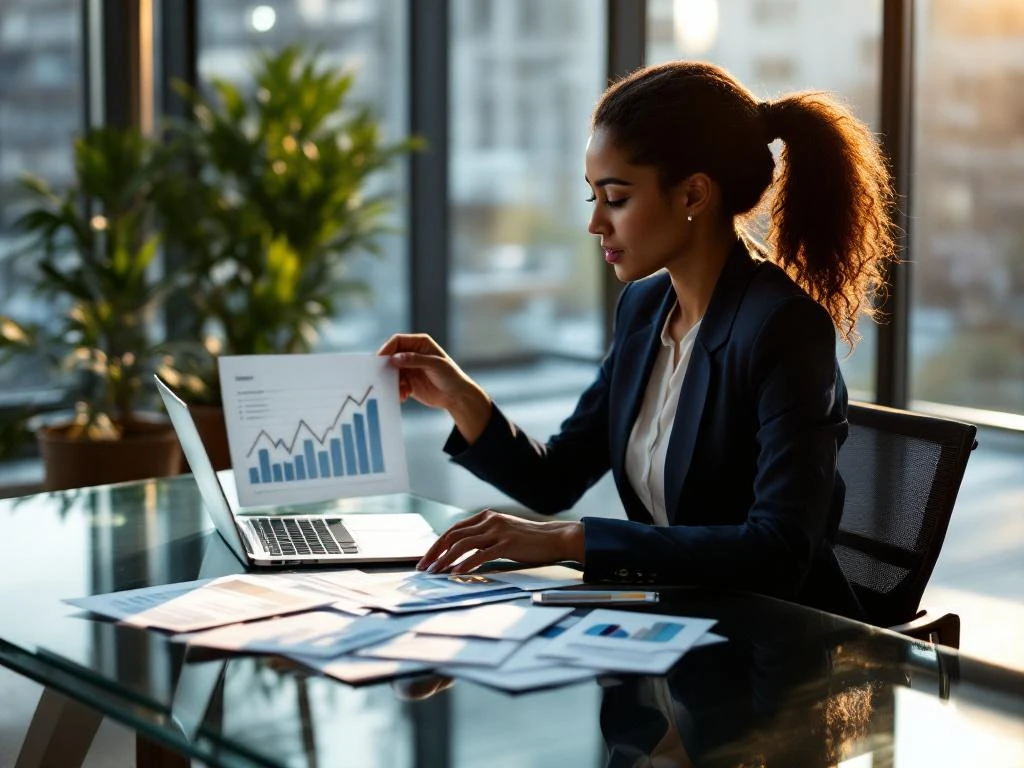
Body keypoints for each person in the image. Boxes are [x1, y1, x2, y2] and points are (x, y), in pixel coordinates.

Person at [378, 61, 895, 619]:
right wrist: (460, 396)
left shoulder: (782, 327)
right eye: (592, 197)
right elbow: (556, 479)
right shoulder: (644, 310)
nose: (596, 223)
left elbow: (779, 551)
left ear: (693, 194)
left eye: (616, 198)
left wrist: (568, 541)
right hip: (673, 630)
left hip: (774, 647)